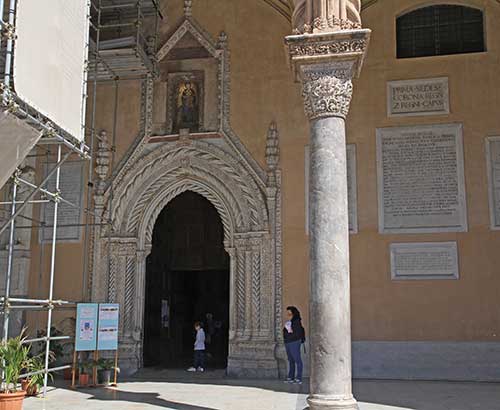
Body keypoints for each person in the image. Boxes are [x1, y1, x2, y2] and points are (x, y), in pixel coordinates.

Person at [283, 306, 305, 384]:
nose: (288, 316)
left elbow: (297, 334)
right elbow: (286, 332)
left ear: (293, 314)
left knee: (297, 360)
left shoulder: (297, 322)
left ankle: (299, 377)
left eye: (290, 314)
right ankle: (291, 377)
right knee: (290, 360)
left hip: (294, 342)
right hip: (288, 342)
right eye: (287, 314)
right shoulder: (289, 322)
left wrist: (290, 333)